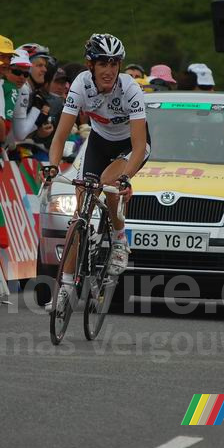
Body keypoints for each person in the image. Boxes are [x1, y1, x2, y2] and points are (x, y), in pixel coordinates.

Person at [43, 33, 150, 310]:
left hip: (130, 147)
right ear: (90, 65)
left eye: (114, 64)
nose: (109, 70)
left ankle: (119, 239)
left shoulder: (131, 89)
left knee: (108, 182)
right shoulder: (81, 85)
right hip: (99, 143)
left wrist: (126, 177)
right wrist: (52, 165)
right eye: (103, 63)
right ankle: (66, 288)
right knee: (79, 216)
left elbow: (140, 146)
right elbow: (60, 135)